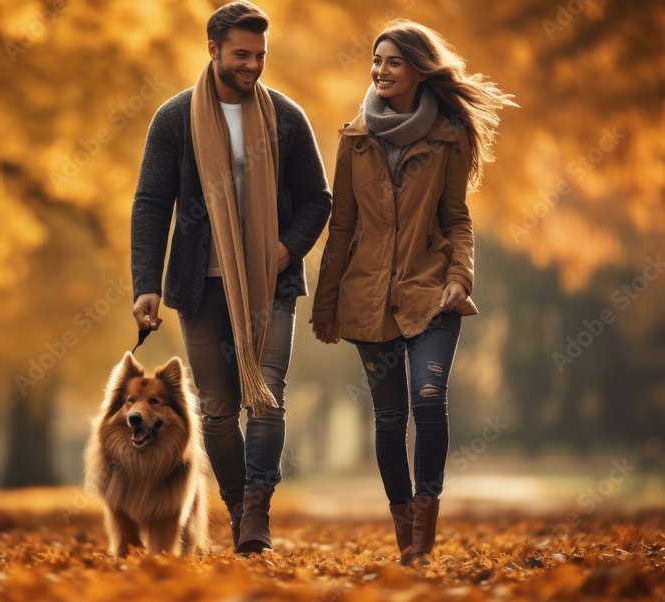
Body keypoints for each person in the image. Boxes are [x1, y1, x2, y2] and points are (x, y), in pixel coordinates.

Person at [311, 19, 515, 566]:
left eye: (392, 61)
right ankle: (404, 530)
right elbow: (343, 229)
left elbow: (457, 220)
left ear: (420, 71)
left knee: (428, 401)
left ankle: (424, 528)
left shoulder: (449, 137)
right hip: (367, 298)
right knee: (387, 418)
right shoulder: (354, 140)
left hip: (432, 293)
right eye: (376, 60)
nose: (380, 70)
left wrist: (459, 277)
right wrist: (325, 304)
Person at [130, 1, 331, 554]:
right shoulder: (175, 119)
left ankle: (257, 518)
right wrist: (145, 282)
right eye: (241, 54)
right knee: (218, 412)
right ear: (213, 49)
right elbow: (151, 203)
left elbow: (318, 199)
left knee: (266, 399)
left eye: (260, 55)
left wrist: (288, 248)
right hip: (201, 285)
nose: (252, 65)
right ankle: (238, 505)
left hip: (272, 283)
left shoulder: (285, 118)